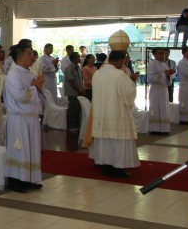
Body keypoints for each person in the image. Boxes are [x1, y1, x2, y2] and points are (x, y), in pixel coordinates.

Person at [87, 50, 140, 178]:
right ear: (120, 60)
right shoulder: (119, 74)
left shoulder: (98, 73)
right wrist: (132, 81)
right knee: (119, 142)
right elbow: (129, 93)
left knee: (105, 142)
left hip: (101, 113)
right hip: (117, 113)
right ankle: (119, 168)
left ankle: (106, 167)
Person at [3, 43, 44, 193]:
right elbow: (20, 96)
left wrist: (38, 87)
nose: (33, 57)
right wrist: (36, 87)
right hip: (19, 118)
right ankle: (15, 180)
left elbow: (37, 92)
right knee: (19, 149)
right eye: (29, 54)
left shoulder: (29, 72)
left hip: (31, 117)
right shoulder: (14, 74)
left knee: (31, 148)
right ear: (20, 57)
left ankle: (28, 178)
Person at [147, 48, 174, 135]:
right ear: (154, 54)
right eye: (160, 53)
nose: (162, 55)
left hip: (163, 89)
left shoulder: (164, 64)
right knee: (156, 107)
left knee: (164, 107)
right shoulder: (152, 64)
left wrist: (169, 75)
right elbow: (151, 77)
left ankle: (164, 128)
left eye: (163, 53)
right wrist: (164, 74)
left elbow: (168, 77)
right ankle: (155, 129)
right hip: (156, 89)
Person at [62, 52, 83, 131]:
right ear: (74, 59)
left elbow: (80, 80)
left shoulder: (77, 67)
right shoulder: (69, 68)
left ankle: (77, 125)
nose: (80, 59)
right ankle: (71, 126)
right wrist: (79, 90)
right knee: (73, 109)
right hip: (72, 92)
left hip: (78, 91)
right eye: (78, 57)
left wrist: (81, 89)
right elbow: (72, 82)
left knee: (77, 109)